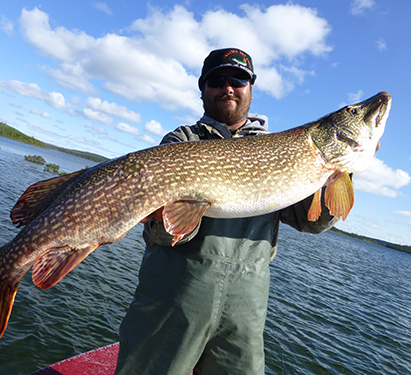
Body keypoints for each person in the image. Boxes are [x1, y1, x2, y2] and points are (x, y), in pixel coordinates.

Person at [114, 48, 338, 375]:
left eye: (238, 79)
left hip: (245, 311)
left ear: (250, 88)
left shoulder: (283, 151)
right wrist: (162, 214)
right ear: (203, 88)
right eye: (217, 80)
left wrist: (341, 173)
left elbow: (312, 220)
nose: (228, 87)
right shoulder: (182, 141)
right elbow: (161, 234)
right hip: (172, 300)